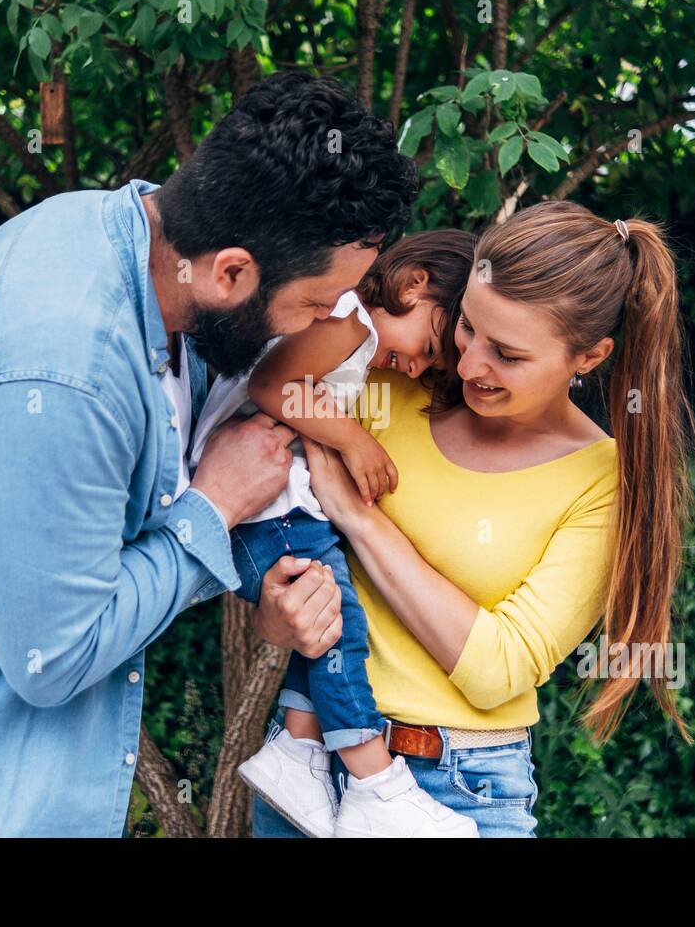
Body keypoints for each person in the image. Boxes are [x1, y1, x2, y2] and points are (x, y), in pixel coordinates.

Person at [0, 72, 416, 837]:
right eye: (315, 306)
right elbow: (56, 656)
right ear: (233, 273)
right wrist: (215, 510)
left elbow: (111, 547)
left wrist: (254, 586)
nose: (321, 326)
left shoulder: (141, 242)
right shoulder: (60, 367)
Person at [254, 201, 695, 837]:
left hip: (458, 787)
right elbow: (283, 523)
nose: (466, 367)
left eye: (507, 355)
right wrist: (276, 614)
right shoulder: (391, 379)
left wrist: (359, 518)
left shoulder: (601, 483)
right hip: (309, 759)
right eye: (465, 328)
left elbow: (499, 669)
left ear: (590, 356)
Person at [192, 231, 479, 837]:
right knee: (338, 625)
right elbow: (272, 385)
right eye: (428, 344)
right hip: (264, 508)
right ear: (411, 283)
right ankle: (375, 783)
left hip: (268, 513)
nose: (418, 366)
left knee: (321, 621)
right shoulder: (349, 320)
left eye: (430, 365)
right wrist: (353, 438)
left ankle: (298, 752)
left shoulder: (358, 335)